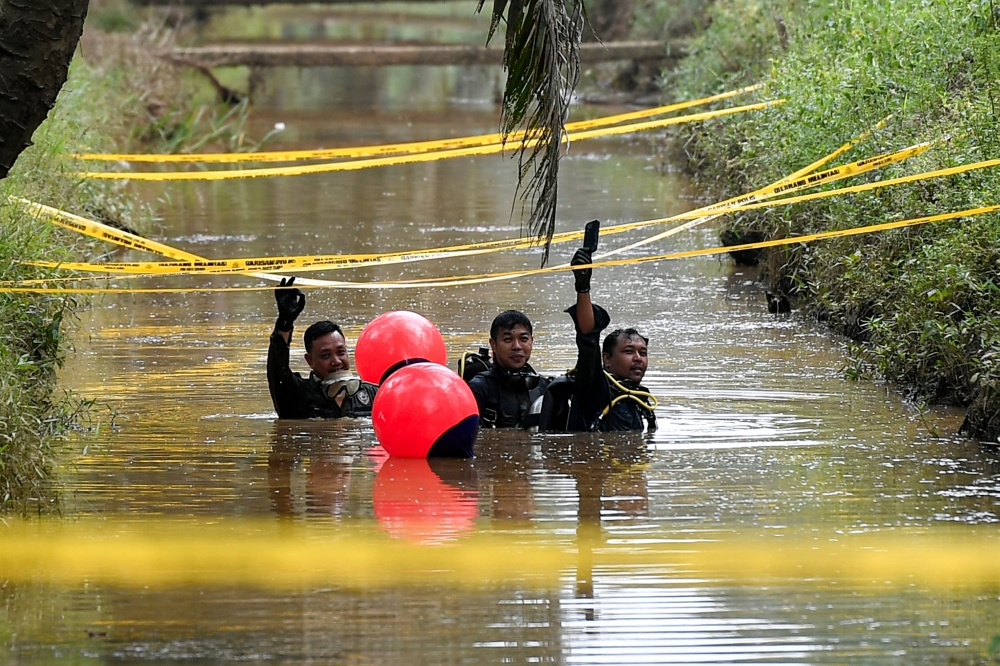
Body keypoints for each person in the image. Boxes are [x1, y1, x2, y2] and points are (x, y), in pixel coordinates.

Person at [558, 244, 657, 432]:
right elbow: (588, 339)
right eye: (629, 352)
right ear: (607, 359)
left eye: (642, 353)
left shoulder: (640, 398)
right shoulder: (594, 388)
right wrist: (583, 285)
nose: (638, 359)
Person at [267, 277, 377, 419]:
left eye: (341, 352)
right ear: (309, 360)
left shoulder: (373, 394)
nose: (336, 361)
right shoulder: (296, 396)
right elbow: (277, 370)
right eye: (325, 356)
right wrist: (284, 322)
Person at [467, 310, 550, 428]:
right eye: (508, 340)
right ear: (493, 344)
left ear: (532, 341)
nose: (517, 346)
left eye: (524, 339)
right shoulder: (479, 389)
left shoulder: (543, 386)